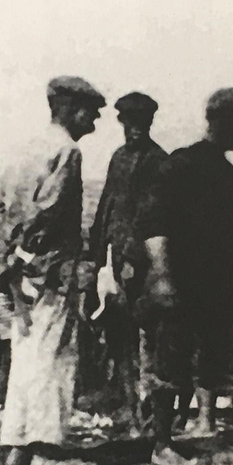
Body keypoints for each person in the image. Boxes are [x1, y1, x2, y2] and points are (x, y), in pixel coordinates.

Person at [135, 87, 233, 465]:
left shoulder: (227, 174)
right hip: (180, 280)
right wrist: (161, 275)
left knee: (211, 360)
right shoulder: (182, 164)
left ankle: (192, 432)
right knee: (170, 362)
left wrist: (230, 292)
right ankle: (160, 444)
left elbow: (226, 241)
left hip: (213, 285)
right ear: (223, 122)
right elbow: (153, 223)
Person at [0, 76, 105, 465]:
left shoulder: (27, 147)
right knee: (51, 355)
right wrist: (34, 251)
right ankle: (36, 448)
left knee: (25, 352)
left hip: (21, 267)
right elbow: (51, 209)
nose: (92, 123)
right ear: (71, 110)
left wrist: (10, 255)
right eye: (90, 114)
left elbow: (5, 205)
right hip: (50, 266)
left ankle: (16, 447)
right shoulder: (67, 149)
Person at [89, 91, 170, 433]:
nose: (135, 129)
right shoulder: (119, 157)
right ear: (122, 123)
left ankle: (148, 413)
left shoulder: (157, 160)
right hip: (112, 254)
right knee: (118, 333)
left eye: (142, 123)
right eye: (130, 122)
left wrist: (134, 261)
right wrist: (93, 253)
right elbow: (107, 203)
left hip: (140, 260)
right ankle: (129, 408)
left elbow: (152, 216)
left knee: (147, 334)